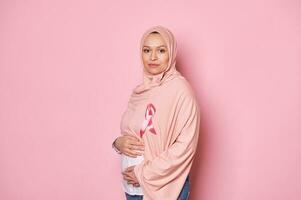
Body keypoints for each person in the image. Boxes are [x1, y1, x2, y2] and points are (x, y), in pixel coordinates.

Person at [112, 25, 200, 200]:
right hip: (133, 188)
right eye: (147, 50)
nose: (152, 57)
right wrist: (117, 143)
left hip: (164, 187)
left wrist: (144, 173)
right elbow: (132, 130)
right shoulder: (141, 91)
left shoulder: (180, 90)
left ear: (171, 53)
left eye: (161, 50)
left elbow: (185, 146)